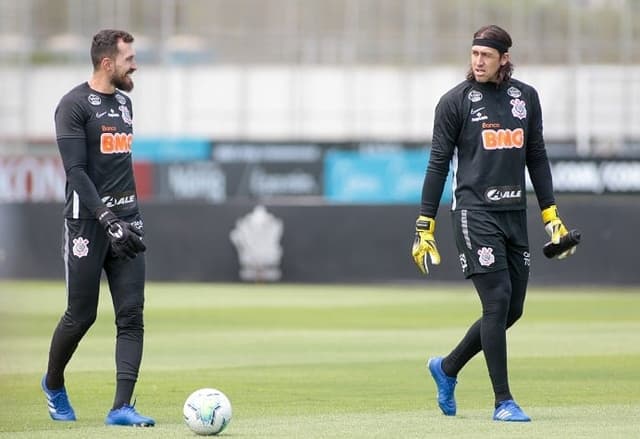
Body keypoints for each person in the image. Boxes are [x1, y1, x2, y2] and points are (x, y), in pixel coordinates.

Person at [411, 24, 577, 422]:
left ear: (504, 58)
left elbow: (536, 156)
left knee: (512, 310)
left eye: (485, 55)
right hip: (473, 212)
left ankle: (446, 368)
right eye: (473, 55)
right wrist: (424, 225)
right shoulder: (455, 102)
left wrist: (551, 214)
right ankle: (503, 401)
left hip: (514, 214)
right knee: (497, 299)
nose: (477, 62)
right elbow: (437, 165)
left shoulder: (526, 98)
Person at [41, 29, 154, 427]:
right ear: (107, 63)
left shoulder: (124, 104)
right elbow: (76, 172)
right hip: (88, 224)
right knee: (81, 315)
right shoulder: (72, 106)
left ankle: (121, 408)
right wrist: (106, 219)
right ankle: (53, 384)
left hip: (128, 221)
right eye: (129, 59)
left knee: (132, 315)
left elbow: (118, 167)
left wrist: (126, 220)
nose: (135, 64)